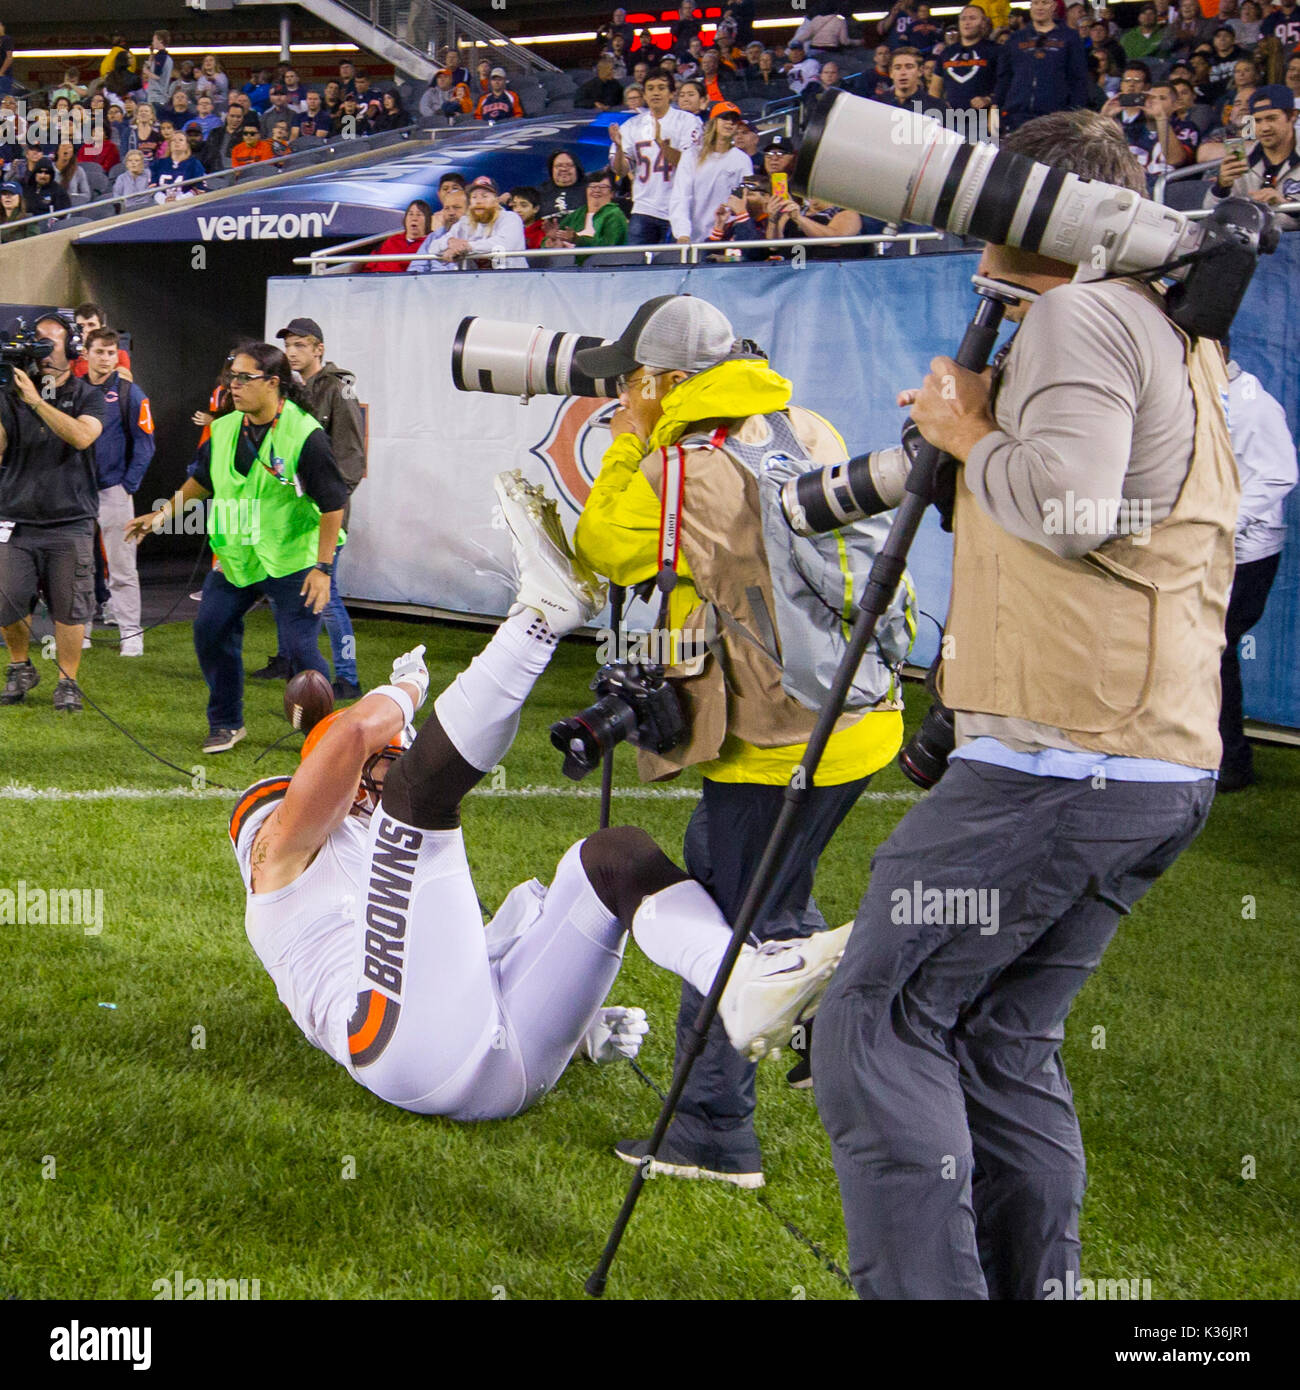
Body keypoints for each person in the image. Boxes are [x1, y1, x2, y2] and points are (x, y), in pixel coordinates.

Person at [815, 109, 1237, 1300]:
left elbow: (1070, 511)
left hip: (1057, 768)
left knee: (879, 1021)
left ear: (1039, 214)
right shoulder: (1165, 327)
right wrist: (981, 437)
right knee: (998, 1042)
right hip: (1141, 767)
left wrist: (964, 427)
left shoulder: (1083, 313)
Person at [231, 471, 848, 1123]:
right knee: (418, 800)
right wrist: (407, 690)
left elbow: (460, 970)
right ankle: (540, 618)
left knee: (612, 858)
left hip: (510, 1065)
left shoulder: (384, 858)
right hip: (395, 1054)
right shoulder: (278, 852)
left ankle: (740, 979)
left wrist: (574, 1025)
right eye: (389, 756)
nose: (396, 760)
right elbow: (353, 734)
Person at [573, 295, 905, 1186]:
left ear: (668, 380)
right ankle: (825, 1021)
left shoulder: (681, 470)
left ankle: (713, 1133)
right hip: (859, 716)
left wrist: (631, 436)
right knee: (763, 896)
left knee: (726, 924)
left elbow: (601, 542)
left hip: (774, 740)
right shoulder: (807, 424)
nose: (625, 392)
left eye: (635, 379)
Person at [125, 343, 346, 753]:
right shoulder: (224, 428)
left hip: (293, 558)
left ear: (273, 384)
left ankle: (324, 732)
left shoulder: (305, 435)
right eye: (232, 377)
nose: (234, 385)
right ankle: (227, 723)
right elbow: (203, 480)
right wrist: (159, 517)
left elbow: (333, 503)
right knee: (210, 630)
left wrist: (323, 568)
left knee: (300, 650)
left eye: (245, 378)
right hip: (236, 558)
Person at [0, 313, 107, 712]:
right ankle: (20, 667)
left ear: (73, 349)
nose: (41, 350)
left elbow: (82, 436)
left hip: (70, 520)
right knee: (6, 601)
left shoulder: (88, 394)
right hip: (16, 518)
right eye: (36, 341)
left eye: (50, 341)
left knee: (69, 607)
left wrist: (37, 402)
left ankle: (68, 681)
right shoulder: (11, 394)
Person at [1217, 353, 1297, 792]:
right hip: (1215, 548)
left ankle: (1232, 764)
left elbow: (1279, 476)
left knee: (1216, 651)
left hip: (1247, 555)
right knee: (1205, 652)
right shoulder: (1204, 395)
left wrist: (1221, 523)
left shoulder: (1254, 404)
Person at [276, 319, 366, 700]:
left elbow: (351, 456)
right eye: (288, 346)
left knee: (327, 597)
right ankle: (292, 664)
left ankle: (348, 676)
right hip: (288, 508)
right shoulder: (287, 387)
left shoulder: (338, 388)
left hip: (323, 512)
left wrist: (330, 502)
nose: (292, 352)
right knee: (287, 590)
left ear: (319, 349)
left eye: (300, 345)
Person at [83, 328, 153, 657]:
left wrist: (127, 486)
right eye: (100, 352)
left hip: (114, 492)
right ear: (86, 353)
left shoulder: (130, 393)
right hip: (76, 493)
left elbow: (145, 443)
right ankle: (78, 629)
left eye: (112, 353)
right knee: (77, 566)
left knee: (123, 567)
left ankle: (131, 633)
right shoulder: (73, 391)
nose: (106, 358)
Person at [611, 69, 702, 245]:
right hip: (643, 208)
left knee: (674, 266)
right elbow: (620, 170)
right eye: (651, 88)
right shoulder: (631, 126)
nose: (656, 92)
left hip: (680, 208)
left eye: (661, 87)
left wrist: (661, 143)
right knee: (636, 267)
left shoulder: (688, 121)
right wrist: (620, 148)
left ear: (672, 93)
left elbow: (689, 166)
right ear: (644, 95)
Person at [1206, 86, 1300, 232]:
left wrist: (1286, 205)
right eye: (1258, 120)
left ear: (1293, 116)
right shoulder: (1243, 159)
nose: (1264, 128)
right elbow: (1211, 217)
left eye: (1272, 118)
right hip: (1253, 245)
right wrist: (1221, 188)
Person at [995, 0, 1090, 130]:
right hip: (1017, 115)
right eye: (1036, 3)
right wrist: (995, 108)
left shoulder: (1070, 37)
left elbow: (1078, 79)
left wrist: (1076, 113)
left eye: (1045, 3)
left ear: (1054, 7)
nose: (1040, 7)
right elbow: (1004, 78)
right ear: (1030, 7)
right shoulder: (1015, 38)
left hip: (1056, 116)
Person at [669, 103, 752, 245]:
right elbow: (681, 196)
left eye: (734, 119)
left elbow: (745, 200)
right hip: (691, 237)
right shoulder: (692, 155)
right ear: (713, 121)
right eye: (725, 118)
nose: (730, 123)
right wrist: (682, 233)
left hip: (724, 237)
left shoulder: (742, 160)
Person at [437, 174, 527, 270]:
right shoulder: (465, 222)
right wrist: (450, 242)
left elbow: (504, 243)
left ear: (496, 200)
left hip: (513, 280)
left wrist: (467, 247)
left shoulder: (510, 218)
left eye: (484, 196)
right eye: (474, 197)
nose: (478, 201)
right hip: (474, 282)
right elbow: (434, 246)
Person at [546, 167, 628, 262]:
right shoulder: (577, 214)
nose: (597, 190)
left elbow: (609, 248)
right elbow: (550, 241)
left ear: (612, 193)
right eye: (592, 186)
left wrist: (578, 240)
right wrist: (552, 241)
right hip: (569, 267)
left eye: (603, 187)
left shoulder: (614, 215)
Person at [940, 5, 1000, 111]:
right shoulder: (947, 52)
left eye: (972, 18)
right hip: (950, 120)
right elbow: (934, 89)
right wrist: (937, 107)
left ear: (983, 22)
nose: (967, 22)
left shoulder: (996, 51)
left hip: (983, 118)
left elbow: (1005, 83)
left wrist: (989, 99)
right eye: (963, 18)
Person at [408, 173, 469, 273]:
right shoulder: (434, 236)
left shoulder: (477, 233)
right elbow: (416, 268)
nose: (451, 213)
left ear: (468, 209)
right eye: (447, 208)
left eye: (456, 208)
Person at [365, 200, 433, 272]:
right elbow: (370, 265)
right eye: (410, 214)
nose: (414, 219)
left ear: (427, 220)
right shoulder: (392, 240)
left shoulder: (431, 243)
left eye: (419, 215)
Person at [72, 305, 132, 381]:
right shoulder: (72, 356)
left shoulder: (119, 355)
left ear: (102, 327)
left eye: (91, 325)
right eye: (81, 326)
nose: (86, 330)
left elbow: (126, 380)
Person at [150, 129, 206, 201]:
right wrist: (163, 200)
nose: (177, 142)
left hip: (187, 206)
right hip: (161, 206)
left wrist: (179, 200)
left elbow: (200, 188)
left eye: (181, 140)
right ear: (169, 145)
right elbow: (152, 187)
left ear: (187, 145)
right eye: (174, 140)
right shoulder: (159, 163)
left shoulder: (194, 164)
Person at [537, 149, 586, 220]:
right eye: (559, 166)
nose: (564, 169)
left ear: (577, 168)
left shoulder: (590, 189)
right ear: (551, 169)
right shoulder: (539, 193)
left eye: (569, 165)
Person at [144, 31, 174, 113]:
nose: (152, 42)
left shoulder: (160, 57)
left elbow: (157, 76)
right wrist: (151, 53)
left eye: (154, 40)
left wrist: (146, 71)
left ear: (160, 40)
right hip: (162, 97)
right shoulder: (168, 58)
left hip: (156, 97)